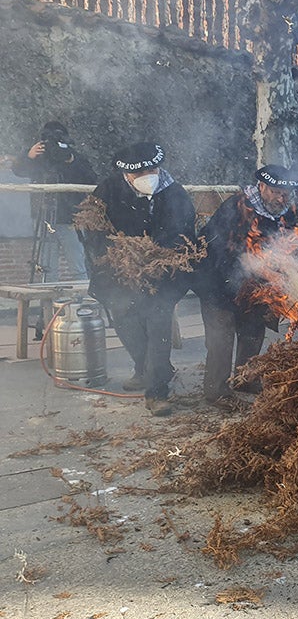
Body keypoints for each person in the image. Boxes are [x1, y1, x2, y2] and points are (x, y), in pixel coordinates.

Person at [81, 142, 195, 416]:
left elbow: (184, 230)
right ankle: (146, 369)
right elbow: (92, 229)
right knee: (124, 321)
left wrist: (157, 256)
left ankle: (157, 392)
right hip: (119, 274)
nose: (148, 176)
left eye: (152, 169)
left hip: (161, 275)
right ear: (127, 175)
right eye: (140, 172)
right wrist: (118, 255)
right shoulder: (108, 190)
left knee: (158, 326)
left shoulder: (173, 193)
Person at [194, 165, 298, 404]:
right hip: (219, 282)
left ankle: (247, 378)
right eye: (277, 192)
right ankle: (217, 392)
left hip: (256, 287)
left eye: (286, 194)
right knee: (221, 337)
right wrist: (247, 266)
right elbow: (215, 248)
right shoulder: (234, 208)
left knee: (253, 333)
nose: (282, 198)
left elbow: (288, 247)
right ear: (262, 187)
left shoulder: (285, 213)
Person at [12, 121, 97, 282]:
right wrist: (28, 156)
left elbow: (90, 178)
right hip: (44, 218)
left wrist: (71, 160)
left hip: (70, 218)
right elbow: (18, 171)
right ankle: (48, 304)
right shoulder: (37, 157)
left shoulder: (74, 156)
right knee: (46, 266)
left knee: (77, 263)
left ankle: (82, 301)